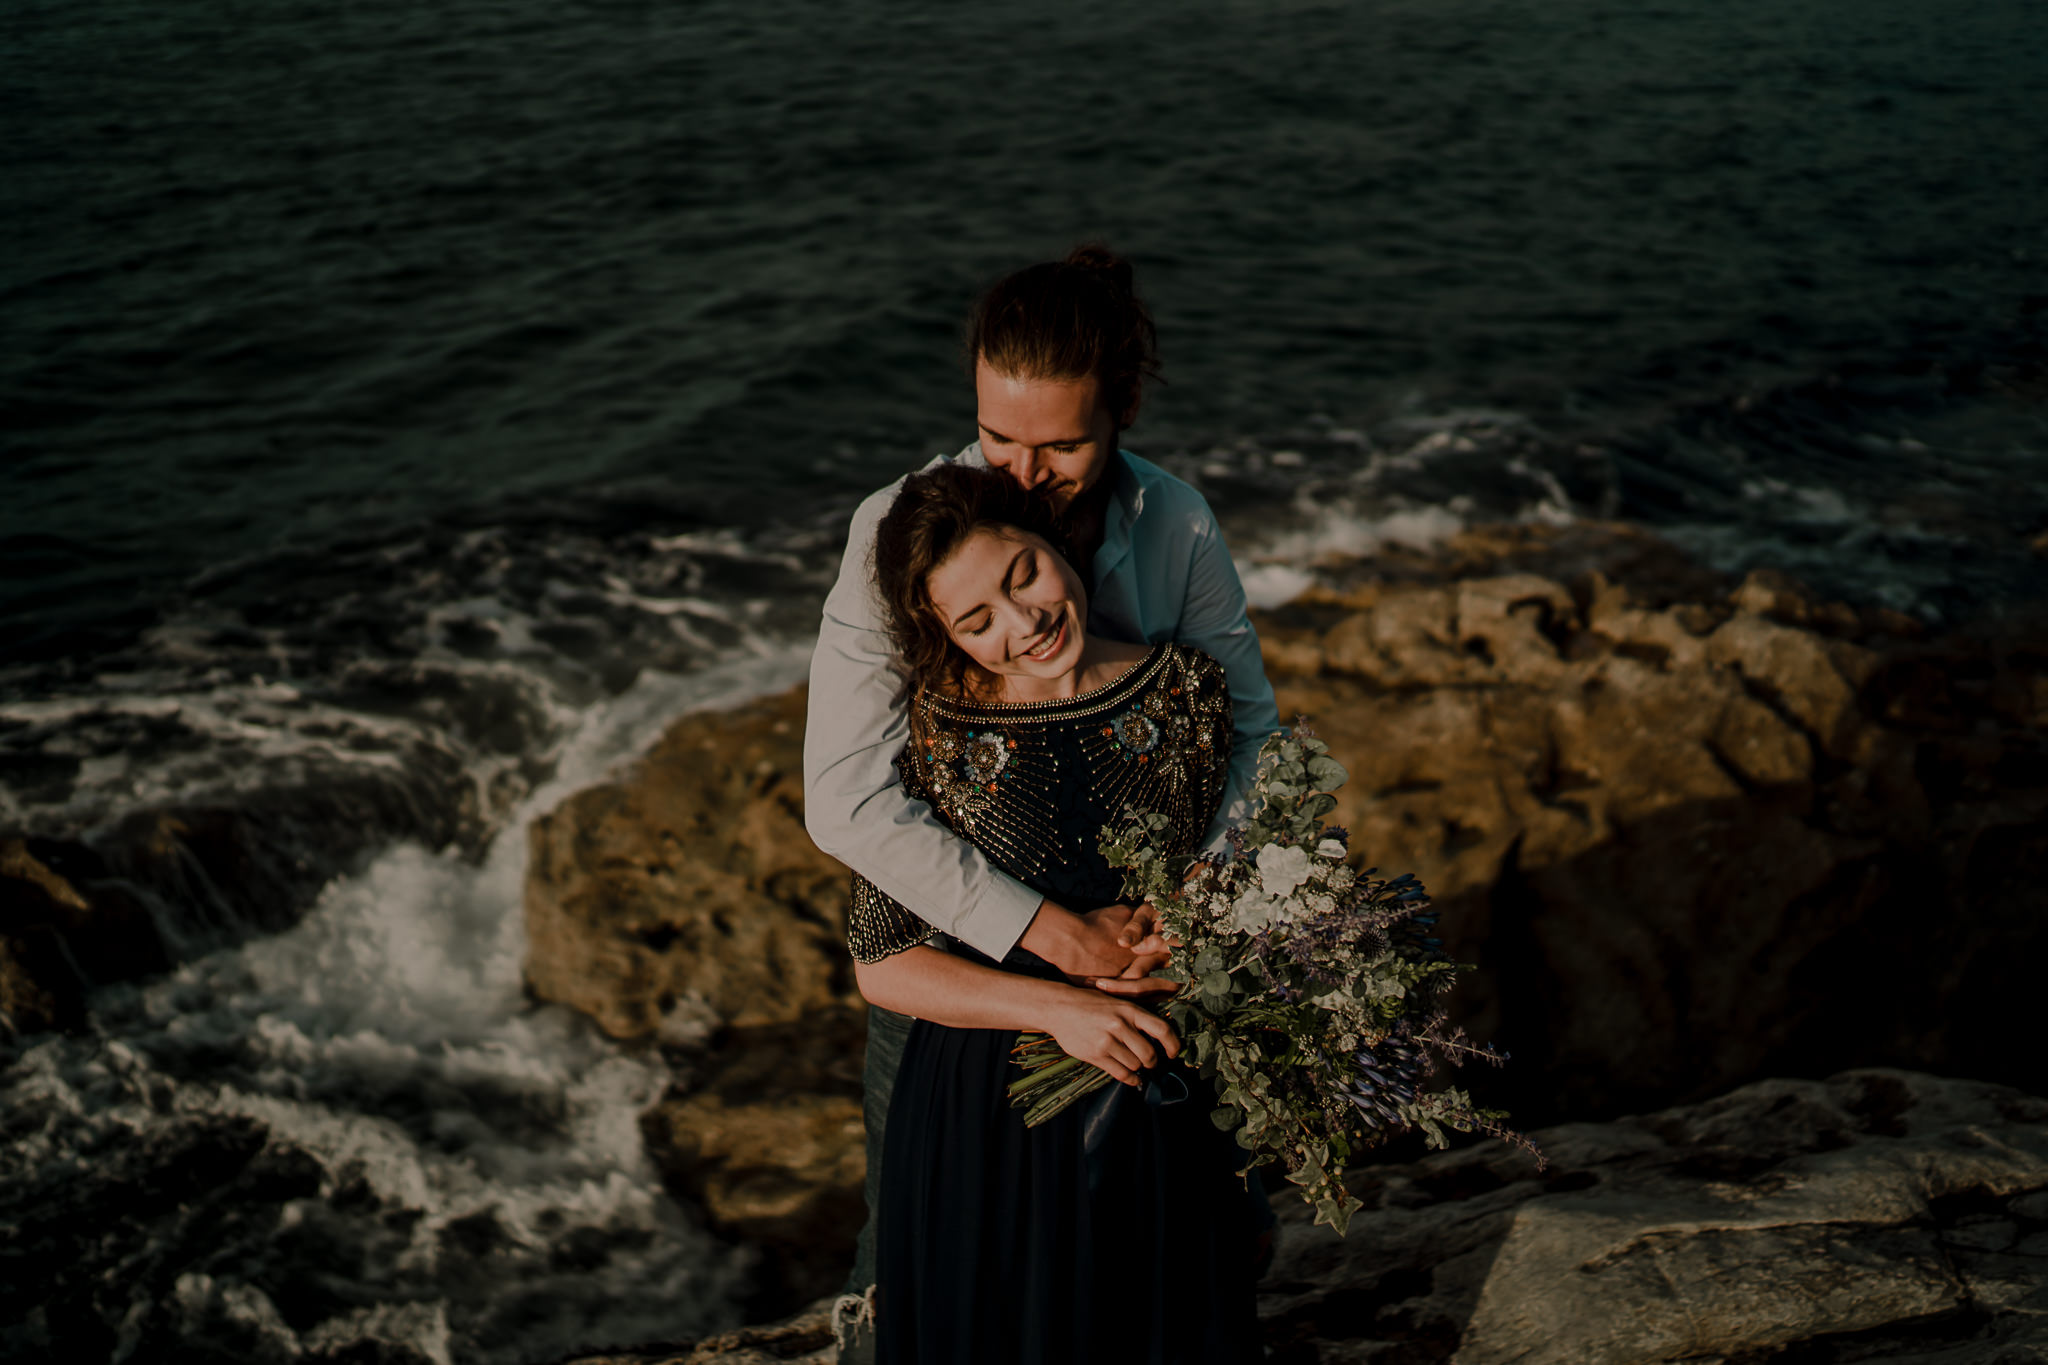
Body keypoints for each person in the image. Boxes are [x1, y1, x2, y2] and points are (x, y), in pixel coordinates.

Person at [802, 246, 1280, 1349]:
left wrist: (1195, 906)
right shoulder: (899, 533)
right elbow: (845, 797)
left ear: (1122, 405)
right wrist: (1051, 940)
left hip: (1154, 959)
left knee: (1200, 1248)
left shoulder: (1178, 522)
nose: (1020, 473)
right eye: (999, 437)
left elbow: (1244, 729)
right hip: (964, 974)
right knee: (917, 1273)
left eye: (1059, 445)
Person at [847, 462, 1262, 1364]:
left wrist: (1194, 937)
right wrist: (1060, 1007)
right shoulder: (931, 736)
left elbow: (1220, 885)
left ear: (1055, 543)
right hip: (985, 1123)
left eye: (1022, 574)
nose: (1023, 621)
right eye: (976, 619)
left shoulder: (1185, 691)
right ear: (942, 635)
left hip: (1159, 1102)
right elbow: (883, 965)